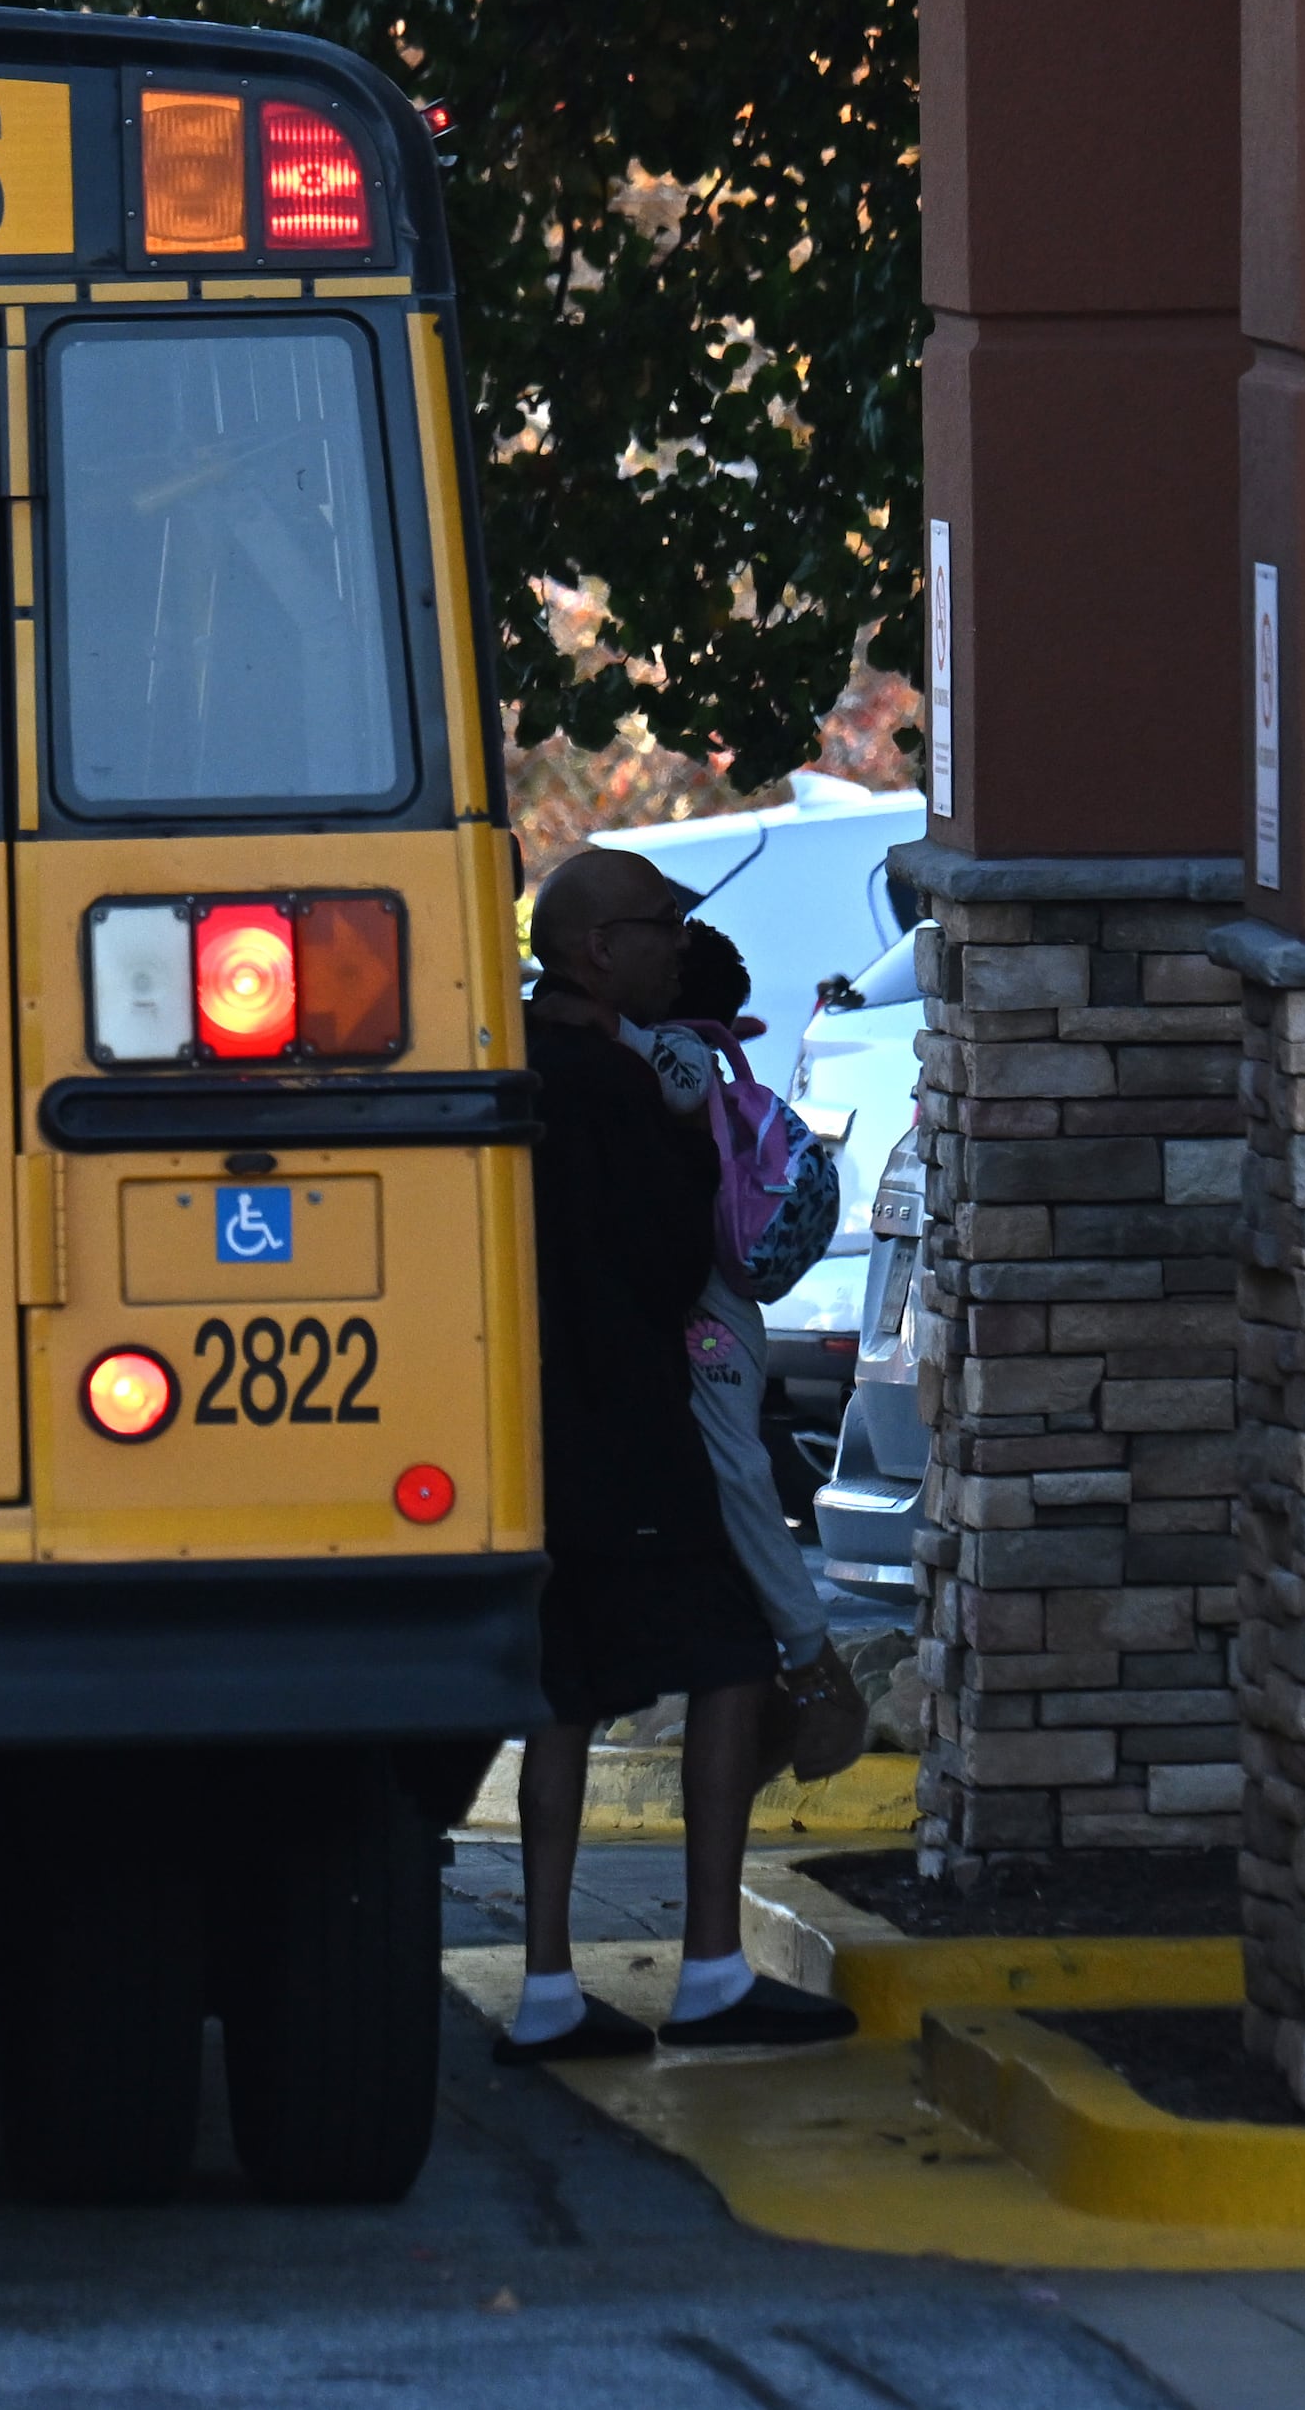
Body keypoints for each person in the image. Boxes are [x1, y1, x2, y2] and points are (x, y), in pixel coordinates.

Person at [498, 848, 859, 2060]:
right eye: (663, 924)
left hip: (531, 1444)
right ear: (601, 950)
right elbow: (665, 1264)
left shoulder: (512, 1065)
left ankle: (546, 1988)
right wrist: (689, 1140)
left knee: (560, 1700)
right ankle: (710, 1969)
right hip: (635, 1437)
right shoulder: (619, 1088)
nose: (677, 945)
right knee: (729, 1658)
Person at [650, 922, 870, 1775]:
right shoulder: (694, 1058)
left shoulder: (672, 1057)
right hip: (725, 1300)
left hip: (708, 1300)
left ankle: (810, 1666)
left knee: (736, 1469)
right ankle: (792, 1673)